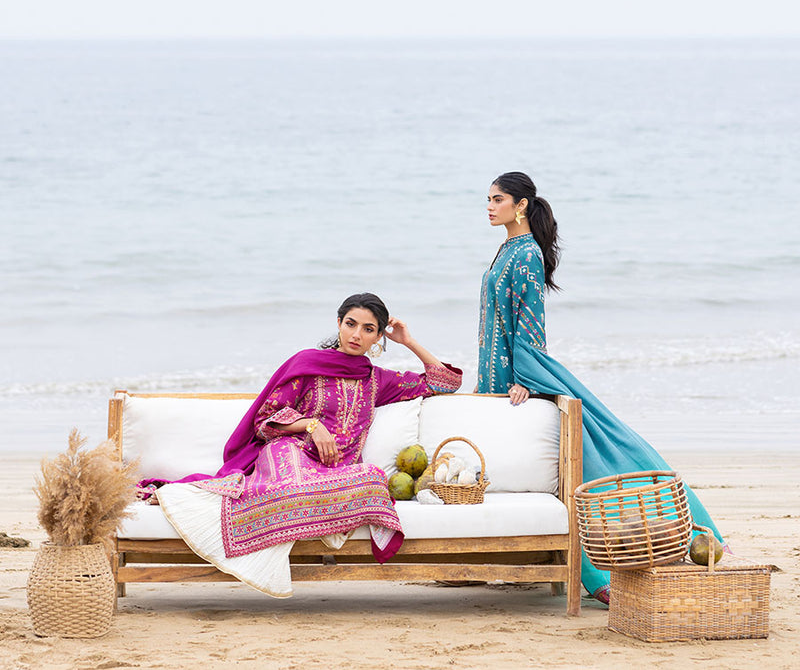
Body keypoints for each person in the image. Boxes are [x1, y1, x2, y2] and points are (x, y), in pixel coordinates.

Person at [477, 171, 722, 604]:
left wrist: (523, 382)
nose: (489, 207)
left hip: (517, 373)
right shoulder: (506, 249)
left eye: (497, 199)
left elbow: (531, 328)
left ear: (521, 205)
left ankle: (608, 565)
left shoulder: (527, 253)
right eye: (489, 200)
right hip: (495, 370)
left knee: (590, 455)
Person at [139, 293, 461, 597]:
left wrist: (408, 341)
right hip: (289, 452)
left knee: (374, 477)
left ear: (379, 338)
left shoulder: (377, 381)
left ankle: (274, 510)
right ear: (338, 323)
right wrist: (311, 424)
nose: (356, 335)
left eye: (368, 329)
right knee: (293, 480)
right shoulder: (307, 365)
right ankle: (274, 510)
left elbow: (444, 382)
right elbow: (265, 421)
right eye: (350, 324)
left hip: (335, 472)